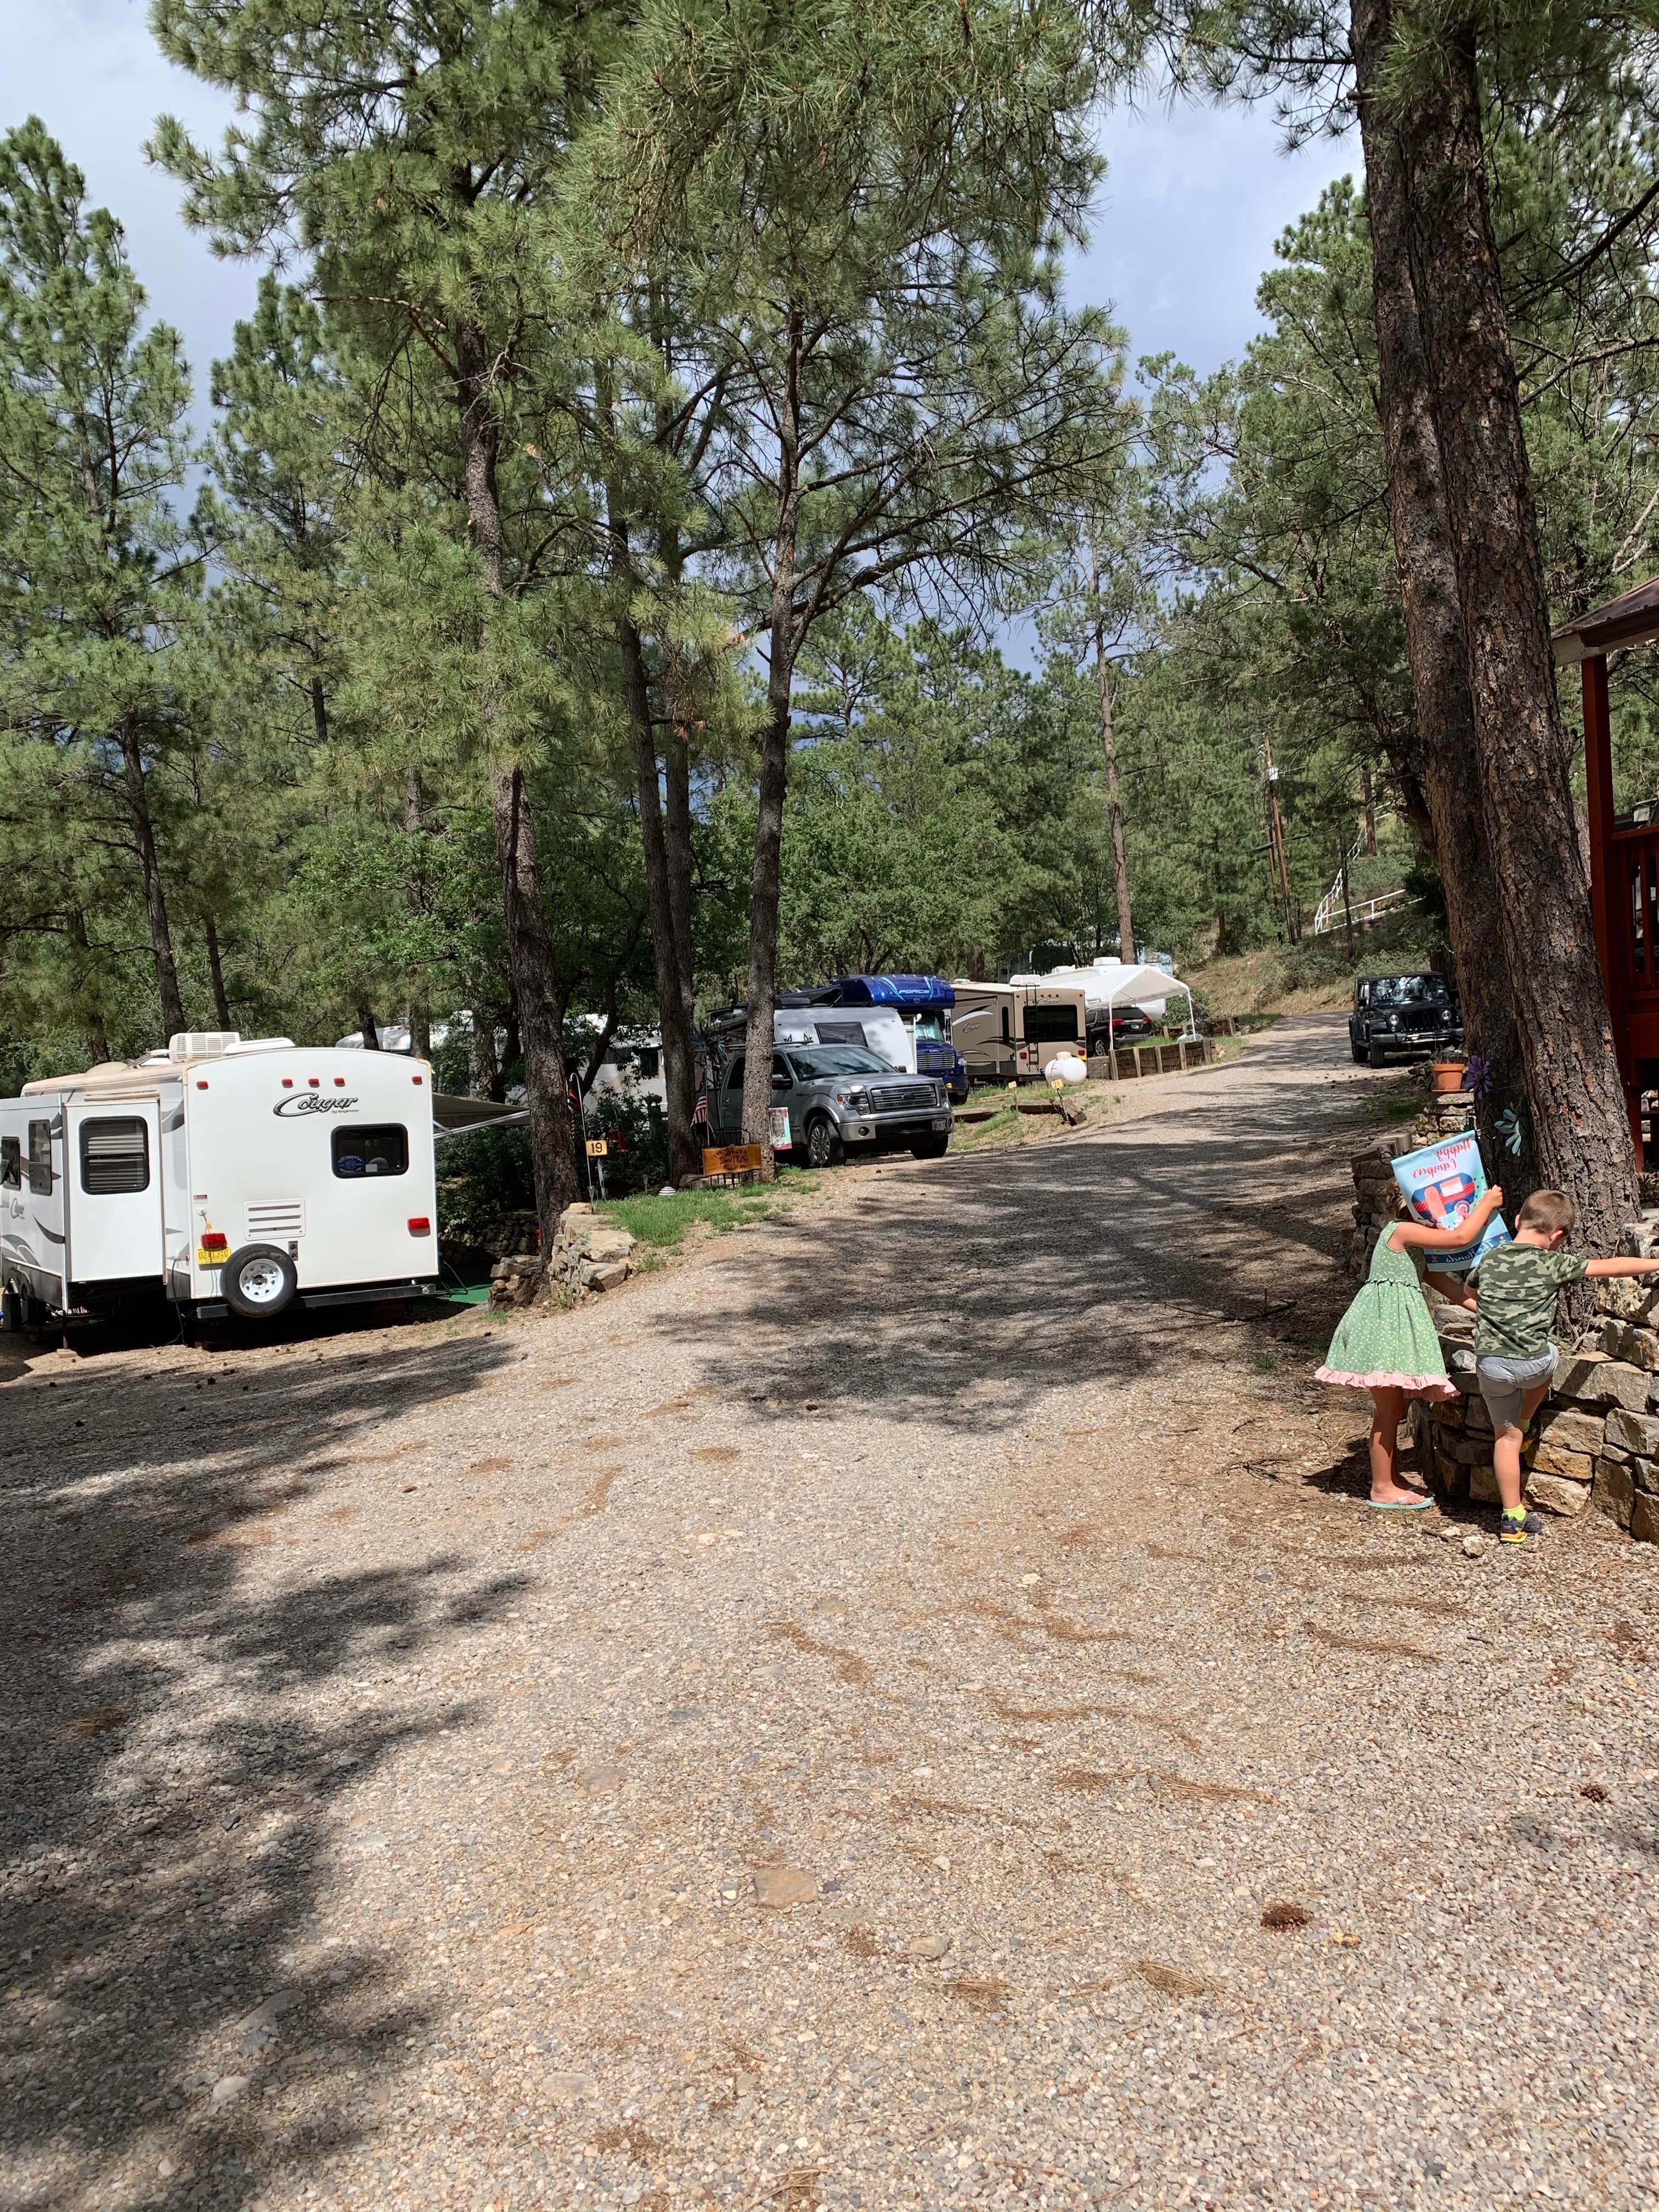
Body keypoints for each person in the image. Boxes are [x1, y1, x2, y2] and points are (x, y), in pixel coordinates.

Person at [1470, 1188, 1659, 1544]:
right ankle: (1528, 1417)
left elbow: (1473, 1290)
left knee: (1505, 1439)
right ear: (1557, 1236)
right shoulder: (1552, 1262)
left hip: (1491, 1364)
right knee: (1552, 1358)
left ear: (1517, 1221)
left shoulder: (1491, 1258)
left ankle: (1512, 1518)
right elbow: (1612, 1267)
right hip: (1532, 1364)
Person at [1317, 1182, 1505, 1509]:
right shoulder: (1401, 1230)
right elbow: (1459, 1238)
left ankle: (1389, 1477)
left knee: (1395, 1409)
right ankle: (1381, 1488)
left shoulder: (1413, 1245)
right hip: (1383, 1329)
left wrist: (1484, 1310)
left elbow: (1446, 1285)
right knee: (1388, 1411)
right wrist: (1486, 1204)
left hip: (1391, 1329)